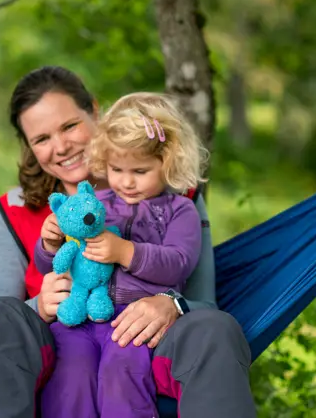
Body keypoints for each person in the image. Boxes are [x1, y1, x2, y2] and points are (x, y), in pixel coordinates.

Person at [0, 66, 257, 418]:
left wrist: (172, 304)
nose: (61, 146)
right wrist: (39, 305)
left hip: (145, 345)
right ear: (30, 148)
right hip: (58, 346)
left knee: (216, 329)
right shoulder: (16, 210)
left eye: (70, 126)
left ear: (95, 112)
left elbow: (204, 302)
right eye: (42, 139)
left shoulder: (178, 198)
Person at [35, 92, 209, 418]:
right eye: (116, 169)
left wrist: (126, 252)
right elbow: (54, 266)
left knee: (122, 380)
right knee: (68, 377)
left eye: (140, 171)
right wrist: (50, 244)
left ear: (167, 163)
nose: (126, 182)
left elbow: (178, 264)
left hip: (133, 322)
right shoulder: (95, 202)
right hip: (79, 316)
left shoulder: (180, 211)